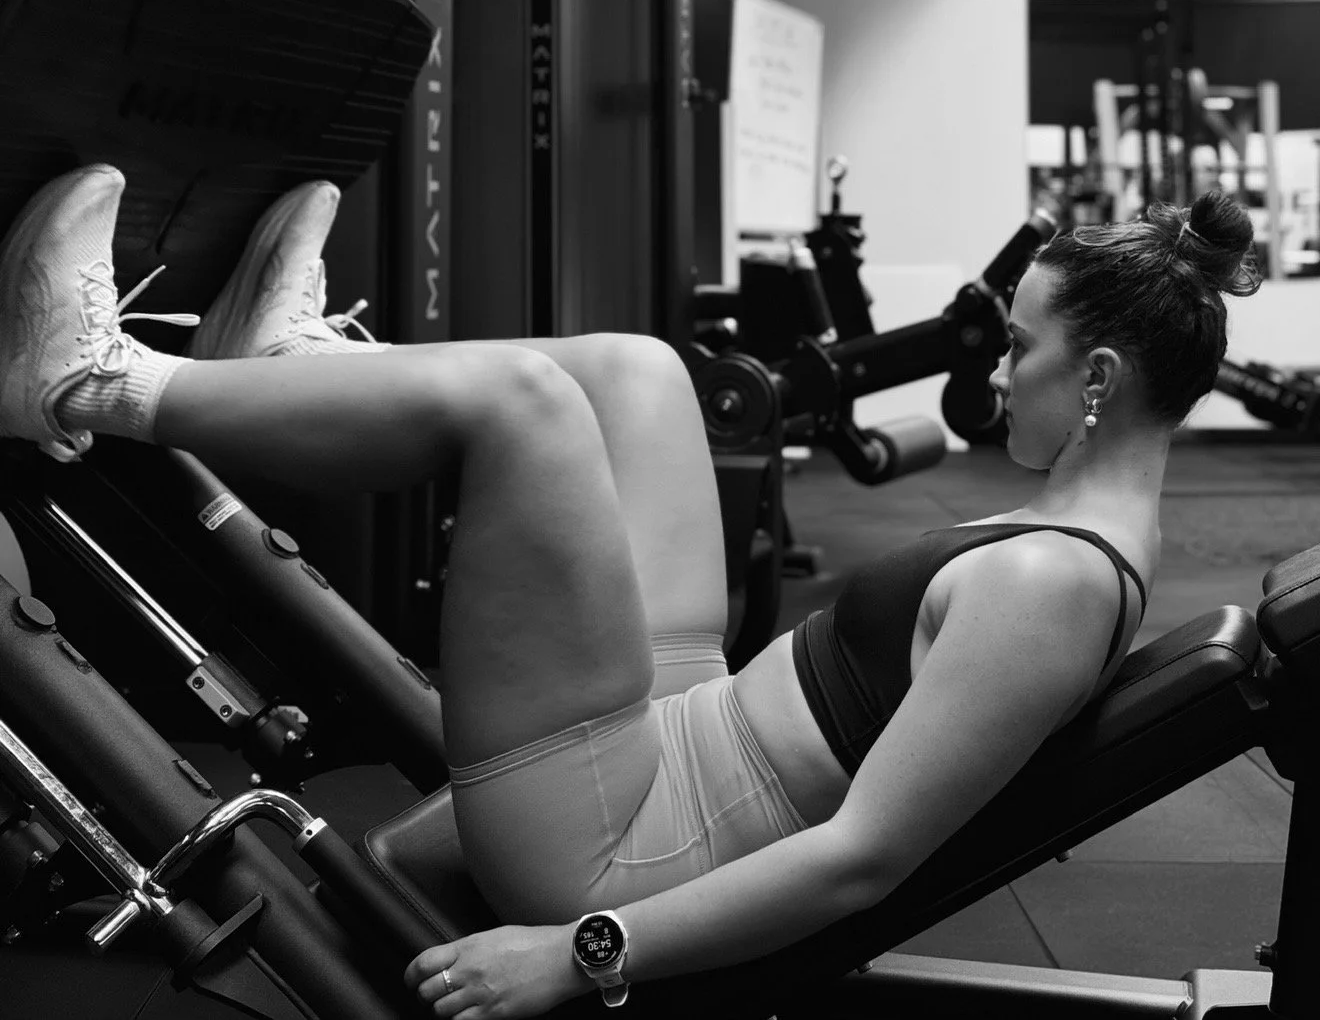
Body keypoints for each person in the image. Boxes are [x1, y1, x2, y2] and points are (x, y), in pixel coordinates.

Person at [0, 166, 1259, 1018]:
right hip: (682, 731)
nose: (999, 374)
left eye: (1023, 349)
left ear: (1096, 379)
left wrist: (579, 950)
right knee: (641, 373)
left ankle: (86, 385)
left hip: (624, 848)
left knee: (525, 408)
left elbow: (860, 861)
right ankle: (275, 370)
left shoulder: (1050, 583)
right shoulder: (1083, 534)